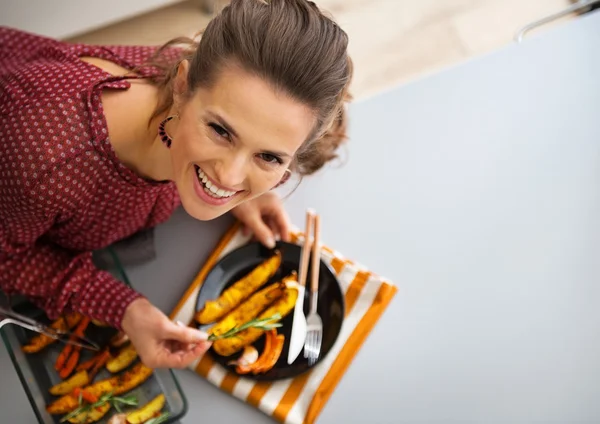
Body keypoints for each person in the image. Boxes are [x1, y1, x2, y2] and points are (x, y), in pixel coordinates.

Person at [0, 0, 352, 369]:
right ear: (182, 86)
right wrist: (124, 308)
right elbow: (7, 253)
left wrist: (242, 195)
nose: (230, 175)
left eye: (269, 157)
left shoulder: (210, 77)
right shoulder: (46, 159)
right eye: (220, 131)